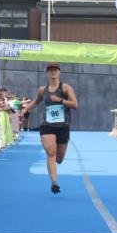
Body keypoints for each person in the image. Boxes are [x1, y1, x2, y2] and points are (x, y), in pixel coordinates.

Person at [21, 62, 78, 194]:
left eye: (55, 70)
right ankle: (54, 182)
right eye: (50, 70)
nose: (53, 72)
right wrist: (24, 111)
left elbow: (75, 105)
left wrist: (60, 101)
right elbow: (36, 102)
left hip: (63, 126)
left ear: (59, 72)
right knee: (50, 153)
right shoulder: (42, 90)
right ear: (47, 73)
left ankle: (54, 175)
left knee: (59, 159)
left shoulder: (65, 88)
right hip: (47, 125)